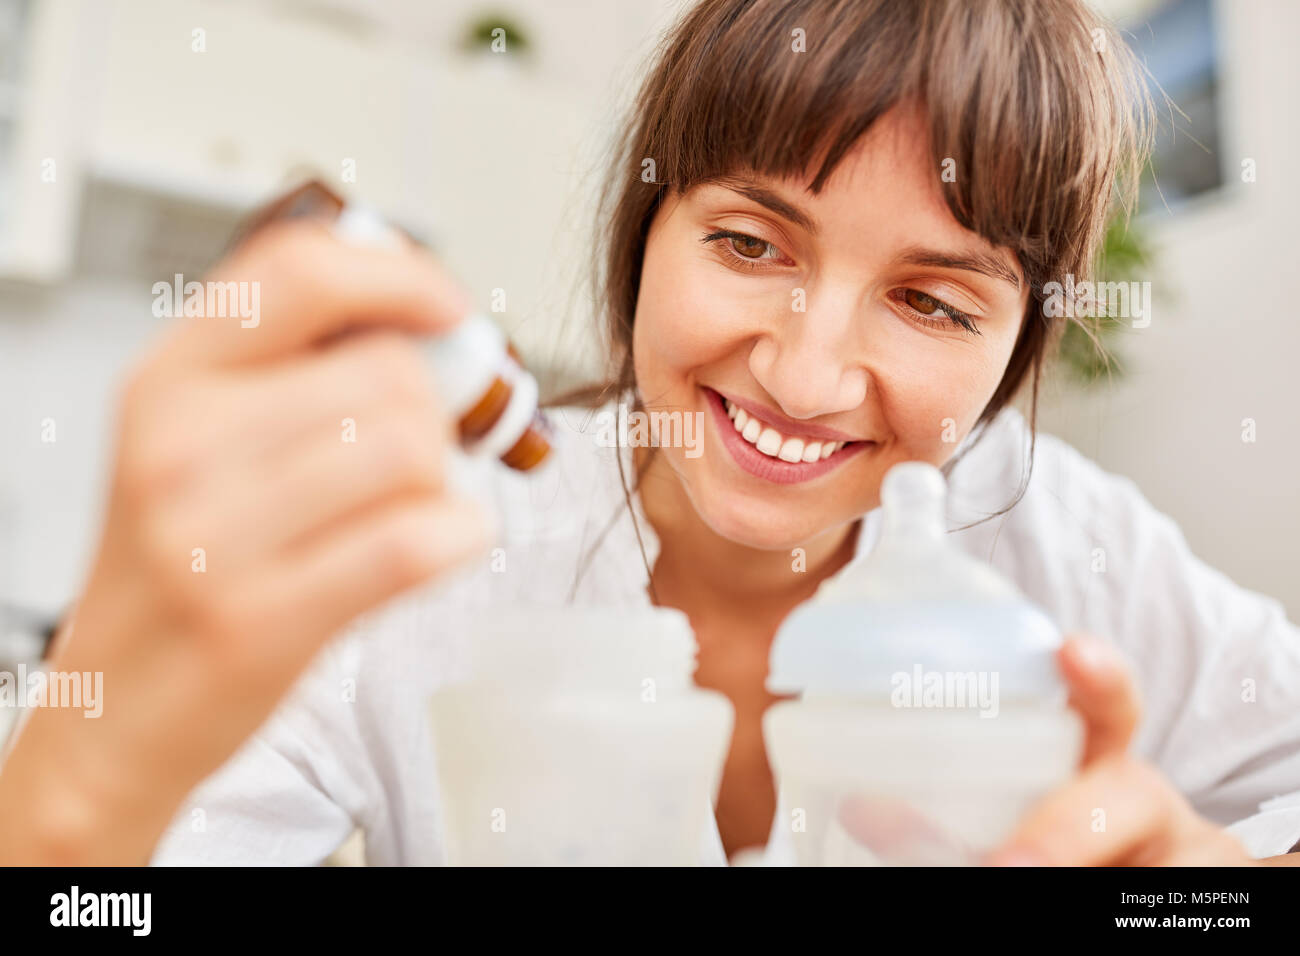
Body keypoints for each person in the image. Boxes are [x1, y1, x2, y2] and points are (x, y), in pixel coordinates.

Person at [2, 0, 1297, 865]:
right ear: (644, 237)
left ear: (1022, 344)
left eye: (928, 300)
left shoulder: (1071, 548)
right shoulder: (429, 549)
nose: (805, 371)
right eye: (747, 242)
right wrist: (78, 780)